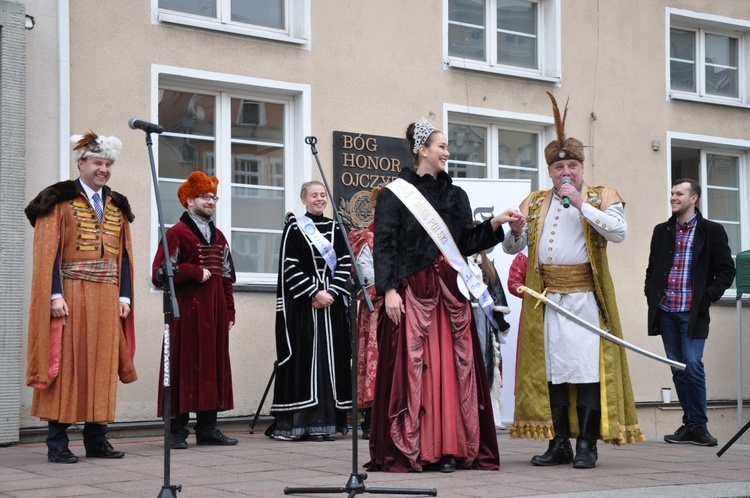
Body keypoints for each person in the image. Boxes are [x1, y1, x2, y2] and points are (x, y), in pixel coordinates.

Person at [367, 118, 525, 473]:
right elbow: (385, 245)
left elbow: (466, 242)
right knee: (417, 370)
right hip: (412, 292)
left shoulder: (457, 195)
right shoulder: (396, 193)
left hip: (451, 294)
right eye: (442, 146)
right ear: (422, 150)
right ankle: (420, 448)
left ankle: (452, 447)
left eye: (448, 147)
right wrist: (389, 290)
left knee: (457, 371)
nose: (447, 152)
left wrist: (497, 223)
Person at [503, 93, 644, 469]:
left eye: (572, 165)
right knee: (553, 373)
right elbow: (514, 248)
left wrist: (581, 203)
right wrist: (514, 232)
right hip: (548, 299)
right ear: (549, 171)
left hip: (584, 297)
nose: (566, 172)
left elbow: (618, 233)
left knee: (585, 372)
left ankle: (587, 446)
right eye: (559, 166)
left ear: (582, 168)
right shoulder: (535, 201)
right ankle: (559, 443)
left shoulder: (602, 195)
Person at [25, 130, 136, 463]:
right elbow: (49, 252)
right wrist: (53, 294)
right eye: (97, 163)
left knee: (101, 364)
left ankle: (96, 439)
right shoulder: (58, 199)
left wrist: (126, 296)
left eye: (108, 164)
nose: (103, 169)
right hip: (70, 292)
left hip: (107, 294)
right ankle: (57, 442)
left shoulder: (117, 205)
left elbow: (125, 257)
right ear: (81, 163)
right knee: (67, 364)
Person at [644, 178, 736, 447]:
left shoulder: (712, 231)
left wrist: (707, 297)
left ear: (693, 198)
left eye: (679, 193)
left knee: (693, 365)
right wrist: (650, 292)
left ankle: (699, 426)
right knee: (678, 369)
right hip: (666, 310)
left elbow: (726, 271)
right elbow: (652, 269)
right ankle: (690, 424)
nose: (673, 197)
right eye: (672, 193)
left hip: (692, 312)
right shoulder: (662, 231)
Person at [151, 171, 238, 449]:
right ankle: (176, 430)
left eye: (213, 197)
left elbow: (226, 276)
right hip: (185, 313)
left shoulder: (220, 236)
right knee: (183, 366)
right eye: (204, 196)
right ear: (189, 201)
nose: (210, 201)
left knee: (212, 366)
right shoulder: (176, 233)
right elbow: (159, 273)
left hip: (214, 314)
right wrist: (191, 270)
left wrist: (229, 310)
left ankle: (208, 428)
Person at [269, 181, 352, 441]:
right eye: (314, 195)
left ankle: (327, 423)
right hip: (304, 309)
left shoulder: (338, 228)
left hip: (332, 308)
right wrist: (315, 292)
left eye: (323, 194)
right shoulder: (295, 228)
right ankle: (302, 424)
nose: (319, 198)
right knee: (306, 361)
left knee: (332, 361)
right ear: (303, 199)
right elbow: (289, 266)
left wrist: (332, 293)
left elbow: (346, 263)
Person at [348, 187, 384, 440]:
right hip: (376, 308)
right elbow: (366, 278)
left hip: (401, 306)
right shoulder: (364, 238)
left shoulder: (401, 237)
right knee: (374, 359)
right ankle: (370, 423)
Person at [465, 249, 511, 429]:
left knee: (486, 362)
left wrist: (500, 321)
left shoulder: (487, 265)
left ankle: (487, 413)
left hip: (484, 320)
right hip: (463, 316)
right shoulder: (459, 260)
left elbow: (496, 291)